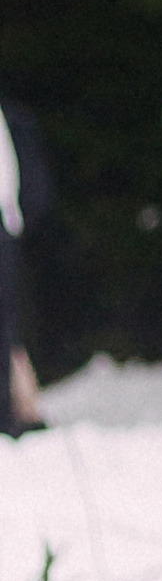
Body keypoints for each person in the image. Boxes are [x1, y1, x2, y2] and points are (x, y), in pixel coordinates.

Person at [0, 92, 52, 437]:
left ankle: (10, 409)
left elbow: (33, 180)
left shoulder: (13, 117)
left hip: (5, 231)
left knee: (6, 325)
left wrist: (19, 222)